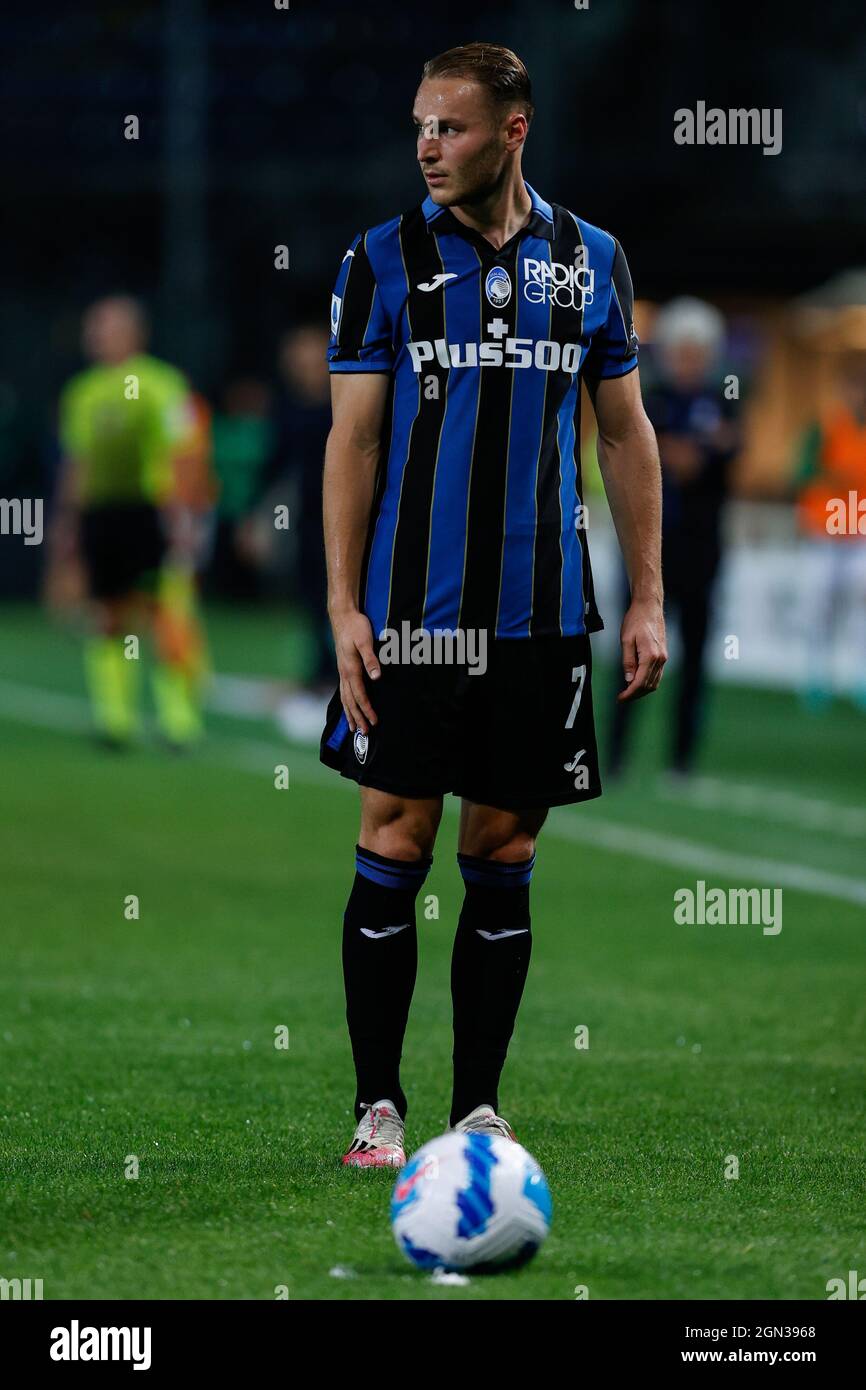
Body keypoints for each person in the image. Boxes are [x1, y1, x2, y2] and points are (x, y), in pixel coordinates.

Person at [318, 43, 666, 1167]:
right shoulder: (380, 259)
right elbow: (354, 439)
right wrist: (340, 604)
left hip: (542, 612)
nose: (426, 147)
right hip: (412, 610)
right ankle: (378, 1102)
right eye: (419, 126)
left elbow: (621, 430)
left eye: (450, 128)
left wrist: (646, 596)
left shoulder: (590, 258)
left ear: (511, 131)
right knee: (394, 834)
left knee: (504, 849)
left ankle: (476, 1106)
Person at [54, 295, 210, 748]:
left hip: (153, 512)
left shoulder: (162, 383)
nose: (96, 335)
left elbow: (186, 451)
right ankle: (114, 720)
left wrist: (185, 513)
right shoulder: (81, 392)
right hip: (104, 514)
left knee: (168, 615)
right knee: (107, 614)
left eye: (105, 326)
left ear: (135, 333)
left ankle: (180, 721)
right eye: (94, 326)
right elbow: (76, 461)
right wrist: (67, 525)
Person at [608, 297, 739, 777]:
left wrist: (688, 451)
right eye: (682, 351)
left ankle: (681, 760)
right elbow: (634, 446)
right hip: (648, 550)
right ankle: (616, 754)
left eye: (697, 352)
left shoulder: (725, 394)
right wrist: (688, 449)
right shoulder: (650, 394)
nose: (689, 362)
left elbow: (731, 446)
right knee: (632, 653)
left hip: (702, 550)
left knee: (697, 657)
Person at [793, 350, 866, 708]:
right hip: (825, 530)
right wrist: (833, 478)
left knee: (859, 604)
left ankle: (859, 676)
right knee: (818, 604)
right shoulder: (825, 427)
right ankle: (815, 675)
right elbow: (801, 474)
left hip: (859, 532)